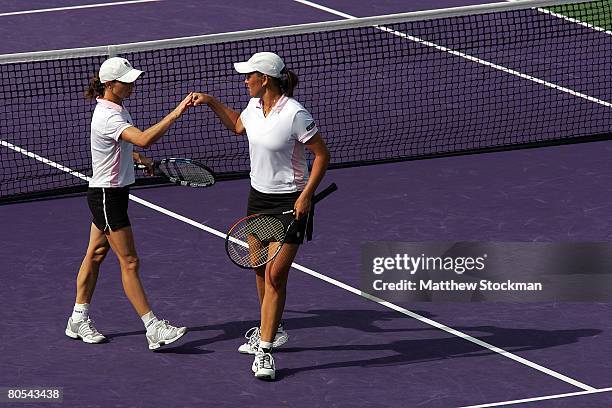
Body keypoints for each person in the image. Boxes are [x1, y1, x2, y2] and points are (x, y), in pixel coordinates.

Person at [192, 52, 330, 379]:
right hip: (258, 198)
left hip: (290, 202)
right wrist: (212, 102)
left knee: (275, 276)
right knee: (258, 269)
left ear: (264, 79)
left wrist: (306, 195)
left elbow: (322, 155)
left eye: (249, 75)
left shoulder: (296, 114)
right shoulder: (253, 108)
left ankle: (265, 350)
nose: (245, 80)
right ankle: (273, 328)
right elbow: (238, 126)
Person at [65, 57, 192, 351]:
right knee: (130, 261)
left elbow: (123, 146)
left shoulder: (116, 109)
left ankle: (77, 318)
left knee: (95, 254)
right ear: (110, 85)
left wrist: (136, 159)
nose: (132, 84)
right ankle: (153, 327)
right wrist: (176, 112)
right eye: (126, 80)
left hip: (111, 194)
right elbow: (144, 139)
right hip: (108, 197)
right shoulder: (109, 116)